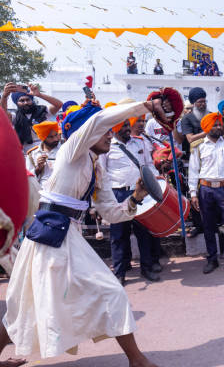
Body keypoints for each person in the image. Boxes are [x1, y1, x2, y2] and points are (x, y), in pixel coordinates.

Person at [1, 98, 170, 366]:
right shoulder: (72, 150)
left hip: (69, 236)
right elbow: (97, 121)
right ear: (87, 133)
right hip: (50, 235)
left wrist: (136, 198)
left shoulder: (97, 167)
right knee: (32, 302)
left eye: (110, 131)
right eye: (104, 132)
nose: (110, 134)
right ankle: (137, 360)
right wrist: (145, 107)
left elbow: (111, 213)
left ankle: (136, 359)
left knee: (27, 303)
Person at [98, 113, 162, 285]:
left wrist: (157, 182)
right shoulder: (108, 147)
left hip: (140, 192)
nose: (127, 128)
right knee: (119, 235)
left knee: (144, 233)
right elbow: (102, 173)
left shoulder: (139, 142)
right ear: (115, 129)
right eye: (123, 126)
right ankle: (120, 272)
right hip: (118, 194)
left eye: (128, 125)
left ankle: (147, 268)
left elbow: (148, 165)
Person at [188, 113, 224, 274]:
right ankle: (212, 259)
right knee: (208, 226)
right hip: (205, 189)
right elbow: (193, 171)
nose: (219, 127)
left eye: (220, 124)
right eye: (214, 125)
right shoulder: (198, 146)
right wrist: (193, 193)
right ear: (206, 127)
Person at [1, 83, 63, 154]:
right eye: (22, 101)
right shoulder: (15, 116)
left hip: (49, 150)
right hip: (27, 154)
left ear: (32, 100)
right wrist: (4, 96)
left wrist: (39, 95)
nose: (26, 103)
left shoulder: (43, 110)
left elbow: (59, 104)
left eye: (28, 99)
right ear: (16, 103)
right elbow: (3, 113)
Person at [25, 121, 61, 190]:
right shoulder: (32, 154)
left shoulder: (64, 150)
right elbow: (27, 178)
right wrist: (38, 169)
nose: (55, 139)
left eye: (56, 135)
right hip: (41, 193)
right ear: (43, 138)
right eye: (51, 137)